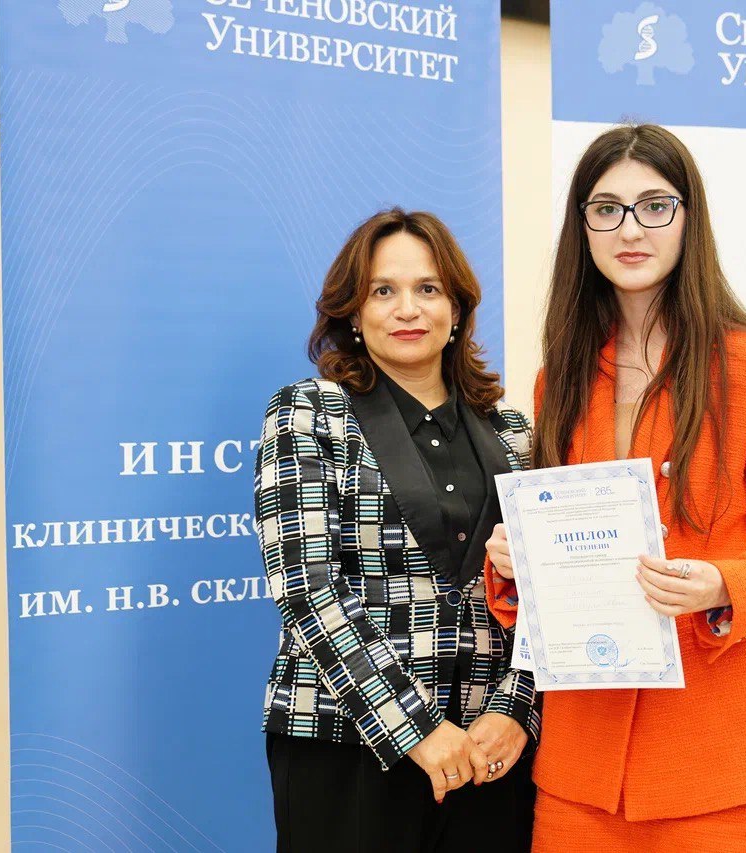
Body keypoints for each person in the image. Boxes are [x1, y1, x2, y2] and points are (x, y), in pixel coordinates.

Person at [484, 124, 746, 851]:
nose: (630, 229)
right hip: (582, 773)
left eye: (654, 206)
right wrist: (516, 561)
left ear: (689, 218)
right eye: (606, 209)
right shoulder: (561, 378)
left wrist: (723, 584)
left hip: (723, 767)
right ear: (582, 227)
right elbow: (560, 553)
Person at [254, 208, 539, 852]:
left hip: (490, 750)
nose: (407, 309)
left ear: (456, 309)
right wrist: (417, 729)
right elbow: (306, 588)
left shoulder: (514, 431)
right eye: (383, 291)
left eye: (427, 289)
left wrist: (516, 708)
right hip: (347, 743)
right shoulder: (308, 412)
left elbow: (549, 595)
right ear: (354, 313)